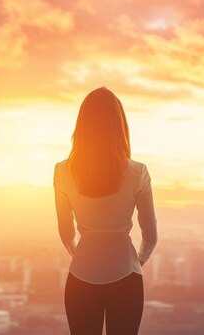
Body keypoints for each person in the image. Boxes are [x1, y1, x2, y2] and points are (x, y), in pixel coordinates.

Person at [53, 86, 158, 335]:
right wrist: (136, 261)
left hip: (80, 276)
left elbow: (65, 231)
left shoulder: (63, 171)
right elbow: (150, 235)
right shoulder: (138, 172)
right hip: (126, 277)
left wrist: (83, 255)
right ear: (119, 126)